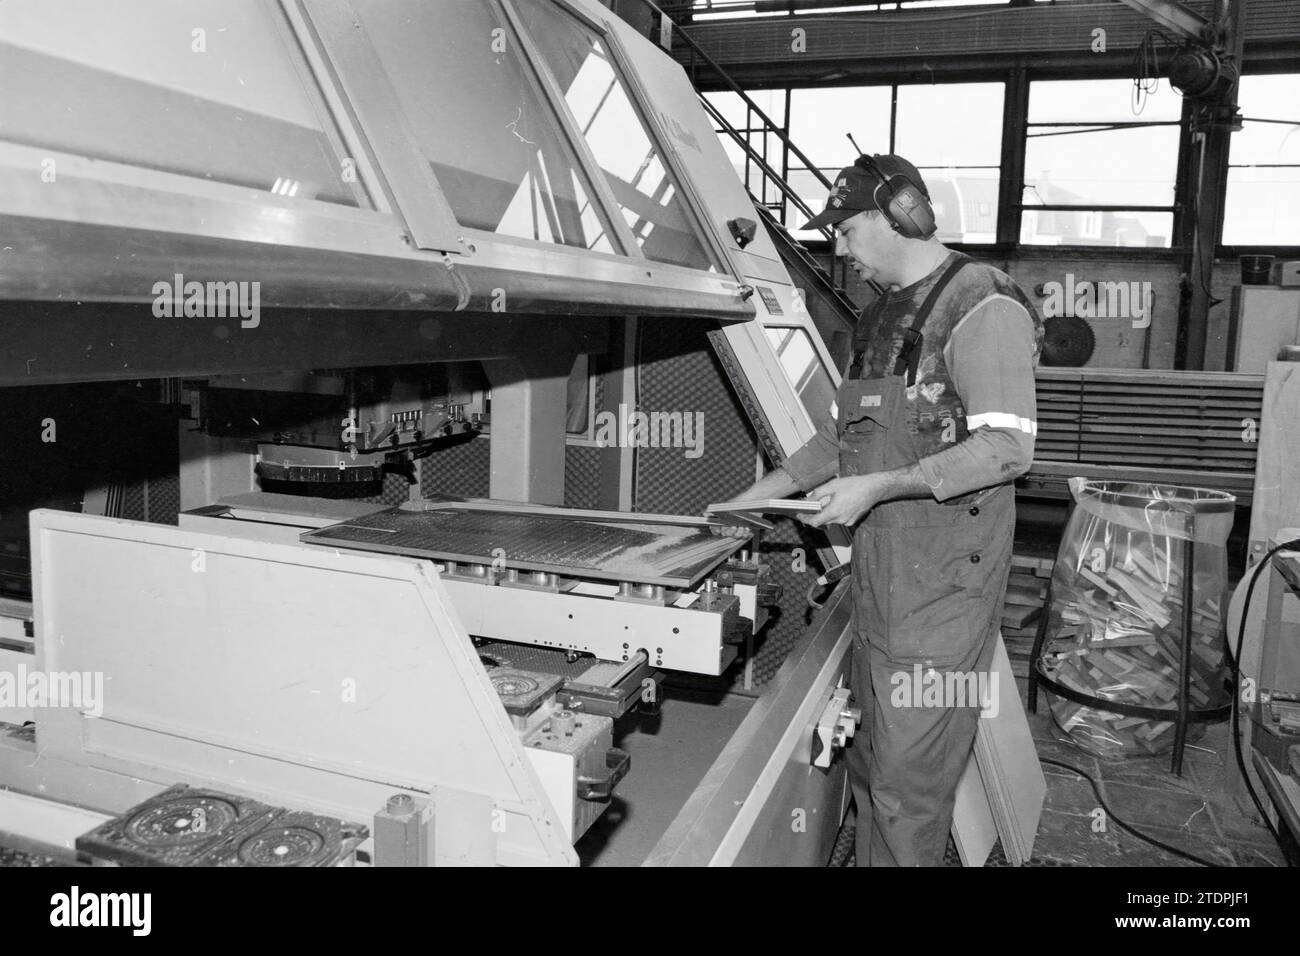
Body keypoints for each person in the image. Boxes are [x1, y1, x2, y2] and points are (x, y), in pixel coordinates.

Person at [724, 154, 1043, 866]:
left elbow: (1006, 450)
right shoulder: (876, 319)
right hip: (880, 584)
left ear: (901, 214)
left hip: (941, 598)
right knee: (872, 768)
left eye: (845, 228)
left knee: (909, 789)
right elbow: (842, 441)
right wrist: (756, 497)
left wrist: (876, 488)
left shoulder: (981, 305)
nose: (837, 247)